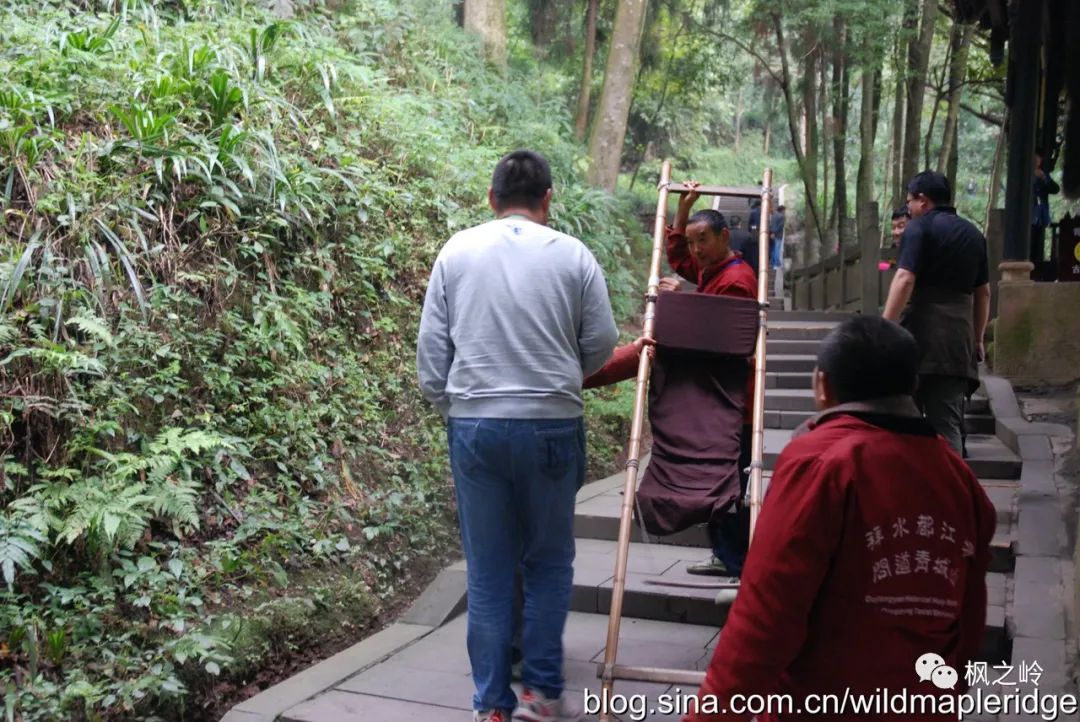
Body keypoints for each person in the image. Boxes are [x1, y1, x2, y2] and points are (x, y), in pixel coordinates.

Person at [683, 316, 996, 722]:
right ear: (913, 386)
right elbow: (969, 620)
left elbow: (766, 618)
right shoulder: (959, 479)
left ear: (821, 385)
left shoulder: (821, 463)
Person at [416, 149, 618, 722]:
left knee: (488, 571)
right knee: (548, 563)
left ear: (492, 198)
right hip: (552, 422)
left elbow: (432, 351)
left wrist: (454, 404)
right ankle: (542, 694)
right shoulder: (573, 255)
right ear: (547, 200)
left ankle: (492, 707)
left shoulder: (456, 251)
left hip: (475, 424)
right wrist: (561, 377)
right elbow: (602, 341)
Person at [584, 181, 757, 580]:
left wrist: (677, 299)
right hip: (715, 398)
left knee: (727, 482)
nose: (695, 250)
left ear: (724, 237)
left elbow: (714, 335)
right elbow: (678, 257)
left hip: (730, 401)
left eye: (703, 240)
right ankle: (724, 555)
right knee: (718, 480)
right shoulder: (714, 268)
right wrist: (684, 209)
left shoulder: (737, 280)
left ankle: (738, 563)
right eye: (692, 241)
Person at [882, 171, 990, 455]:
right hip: (957, 341)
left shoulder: (918, 229)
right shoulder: (974, 235)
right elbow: (983, 293)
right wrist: (978, 338)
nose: (908, 208)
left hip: (919, 336)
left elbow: (904, 278)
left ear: (923, 200)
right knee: (947, 424)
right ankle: (952, 482)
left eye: (909, 202)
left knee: (904, 422)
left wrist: (884, 327)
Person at [1030, 151, 1060, 264]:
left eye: (1038, 159)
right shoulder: (1026, 174)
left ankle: (1036, 269)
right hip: (1029, 217)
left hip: (1040, 216)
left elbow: (1055, 189)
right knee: (1028, 245)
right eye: (1034, 158)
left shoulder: (1043, 174)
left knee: (1038, 247)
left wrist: (1043, 177)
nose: (1037, 161)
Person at [768, 204, 785, 268]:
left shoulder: (774, 215)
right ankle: (777, 263)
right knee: (777, 249)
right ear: (782, 210)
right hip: (778, 235)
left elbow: (771, 224)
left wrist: (772, 233)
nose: (784, 212)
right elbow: (780, 226)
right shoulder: (782, 216)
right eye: (784, 210)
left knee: (773, 249)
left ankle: (772, 262)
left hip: (772, 234)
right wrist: (774, 233)